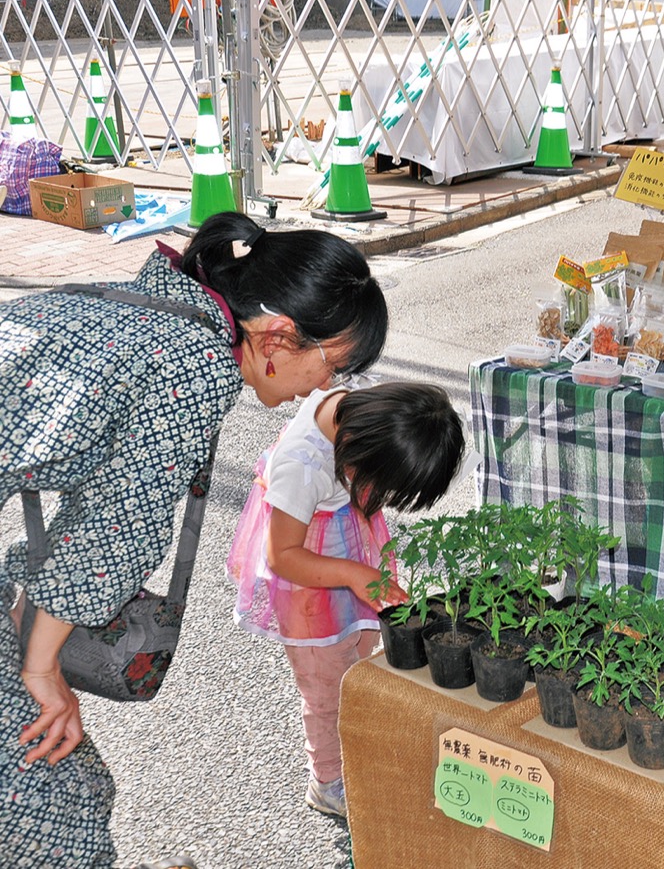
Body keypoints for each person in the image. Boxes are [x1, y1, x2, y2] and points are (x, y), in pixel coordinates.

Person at [0, 211, 387, 868]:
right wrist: (39, 670)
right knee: (51, 801)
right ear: (279, 336)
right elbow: (116, 528)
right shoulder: (197, 363)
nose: (327, 386)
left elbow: (93, 498)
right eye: (333, 364)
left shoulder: (161, 309)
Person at [225, 381, 464, 817]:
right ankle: (328, 780)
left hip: (344, 545)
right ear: (361, 453)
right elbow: (281, 555)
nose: (385, 498)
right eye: (386, 486)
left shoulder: (361, 415)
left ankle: (354, 745)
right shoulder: (302, 466)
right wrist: (353, 574)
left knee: (356, 656)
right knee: (325, 686)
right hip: (306, 574)